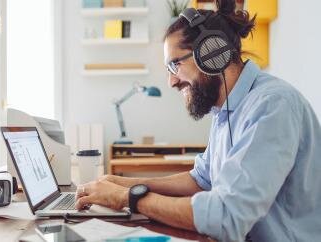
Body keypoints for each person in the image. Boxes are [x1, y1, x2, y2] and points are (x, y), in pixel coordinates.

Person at [75, 0, 321, 241]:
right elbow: (202, 180)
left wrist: (127, 197)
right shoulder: (225, 109)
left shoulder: (273, 105)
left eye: (175, 65)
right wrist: (123, 182)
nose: (171, 82)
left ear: (211, 53)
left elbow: (227, 217)